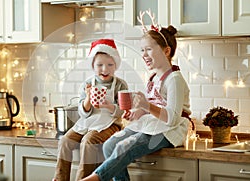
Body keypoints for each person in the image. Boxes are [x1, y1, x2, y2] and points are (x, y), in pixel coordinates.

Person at [80, 10, 191, 181]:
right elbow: (154, 108)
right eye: (142, 50)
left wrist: (146, 106)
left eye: (148, 49)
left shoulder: (174, 79)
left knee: (124, 147)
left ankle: (96, 178)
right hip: (153, 124)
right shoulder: (154, 77)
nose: (144, 55)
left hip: (170, 130)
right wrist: (138, 112)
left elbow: (173, 119)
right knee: (110, 145)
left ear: (166, 51)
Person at [52, 39, 128, 181]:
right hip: (88, 122)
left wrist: (108, 106)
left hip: (111, 125)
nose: (104, 69)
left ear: (115, 66)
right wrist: (88, 98)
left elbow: (123, 112)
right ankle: (59, 178)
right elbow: (83, 112)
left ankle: (83, 179)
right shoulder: (87, 83)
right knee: (65, 141)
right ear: (93, 65)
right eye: (100, 65)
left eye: (110, 65)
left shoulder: (120, 85)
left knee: (88, 141)